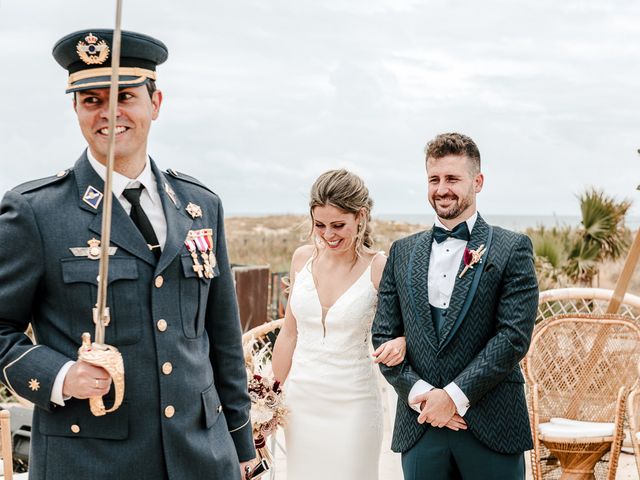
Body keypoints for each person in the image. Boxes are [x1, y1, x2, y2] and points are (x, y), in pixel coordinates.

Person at [0, 29, 254, 479]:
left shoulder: (200, 205)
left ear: (155, 105)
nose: (109, 112)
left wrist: (241, 441)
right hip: (90, 461)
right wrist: (60, 375)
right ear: (76, 109)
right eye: (92, 100)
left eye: (126, 97)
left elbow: (223, 337)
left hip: (201, 456)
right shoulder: (35, 212)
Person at [372, 132, 539, 480]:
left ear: (477, 182)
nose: (442, 188)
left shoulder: (512, 249)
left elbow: (512, 339)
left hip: (490, 423)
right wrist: (423, 395)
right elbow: (383, 339)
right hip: (420, 426)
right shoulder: (401, 253)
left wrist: (453, 396)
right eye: (434, 179)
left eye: (452, 178)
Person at [272, 169, 406, 480]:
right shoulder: (301, 259)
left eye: (338, 225)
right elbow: (289, 334)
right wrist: (270, 398)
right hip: (301, 402)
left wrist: (402, 341)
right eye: (320, 225)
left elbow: (404, 331)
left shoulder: (379, 267)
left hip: (354, 402)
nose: (328, 235)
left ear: (360, 216)